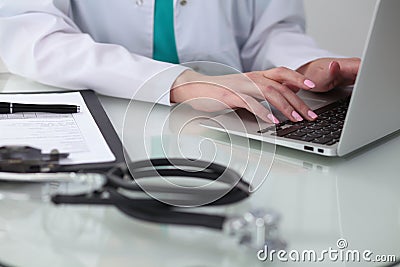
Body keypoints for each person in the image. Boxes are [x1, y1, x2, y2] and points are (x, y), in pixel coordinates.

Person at [0, 0, 359, 123]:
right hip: (109, 122)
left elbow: (268, 29)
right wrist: (178, 81)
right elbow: (31, 36)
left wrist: (303, 68)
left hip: (228, 124)